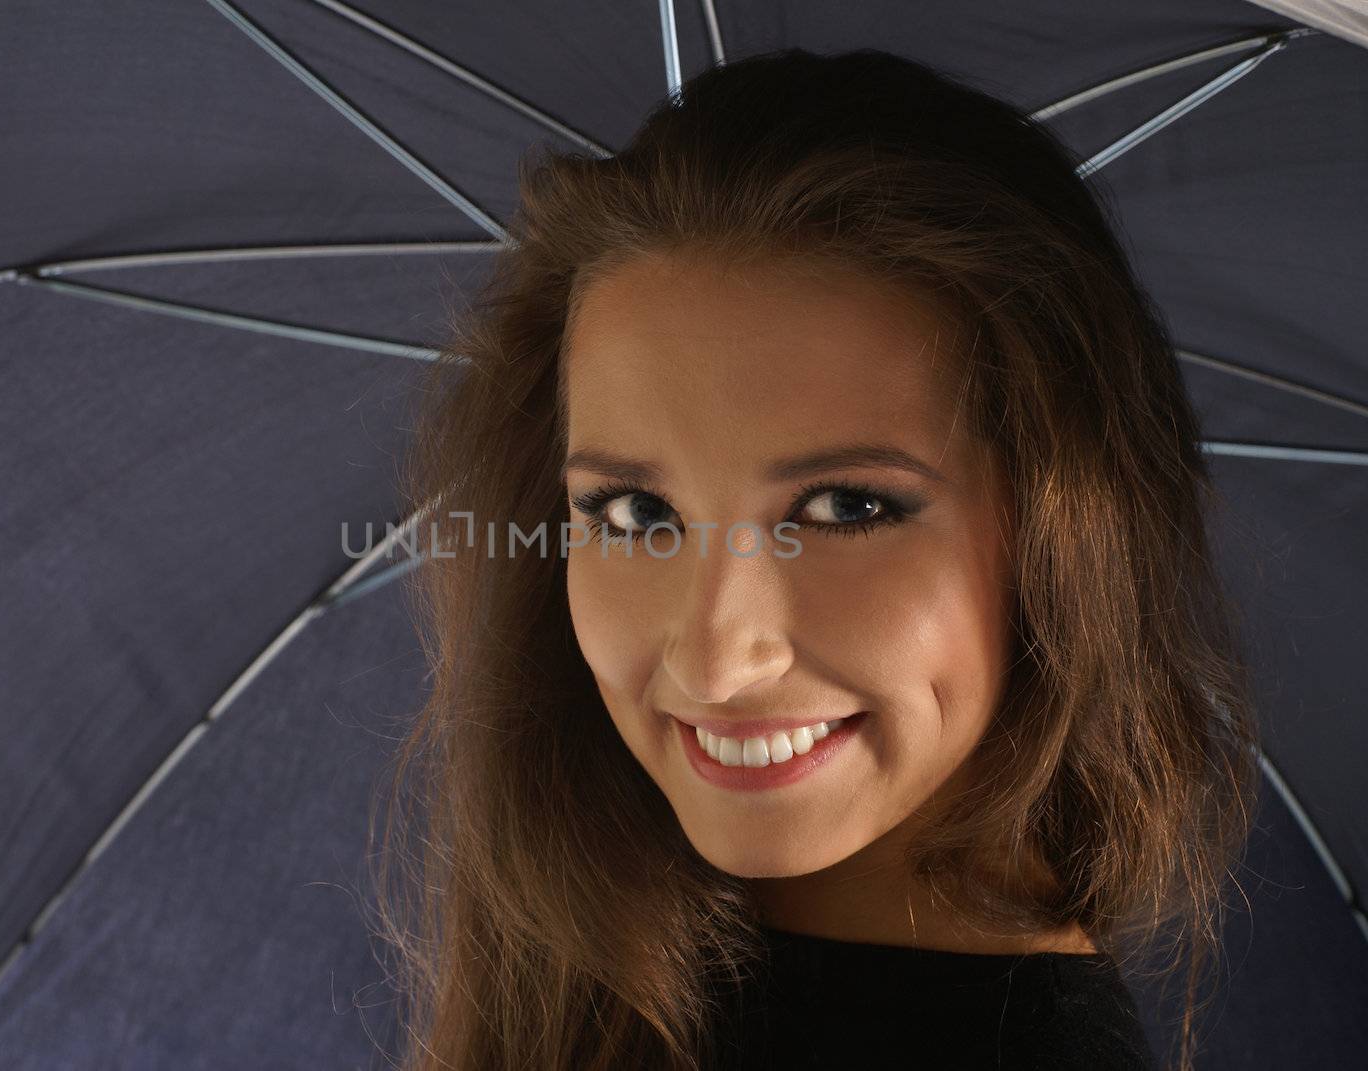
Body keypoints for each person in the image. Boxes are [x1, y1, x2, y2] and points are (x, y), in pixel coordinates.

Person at [367, 48, 1260, 1071]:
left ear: (1064, 536)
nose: (714, 660)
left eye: (844, 506)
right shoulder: (603, 951)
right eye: (634, 510)